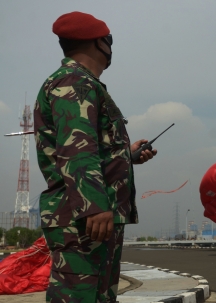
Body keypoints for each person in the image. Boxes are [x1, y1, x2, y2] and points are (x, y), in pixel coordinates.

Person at [34, 11, 157, 302]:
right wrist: (94, 206)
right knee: (80, 297)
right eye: (108, 40)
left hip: (90, 215)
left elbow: (86, 146)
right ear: (98, 43)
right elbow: (76, 150)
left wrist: (127, 156)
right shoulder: (76, 83)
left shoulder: (80, 82)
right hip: (84, 216)